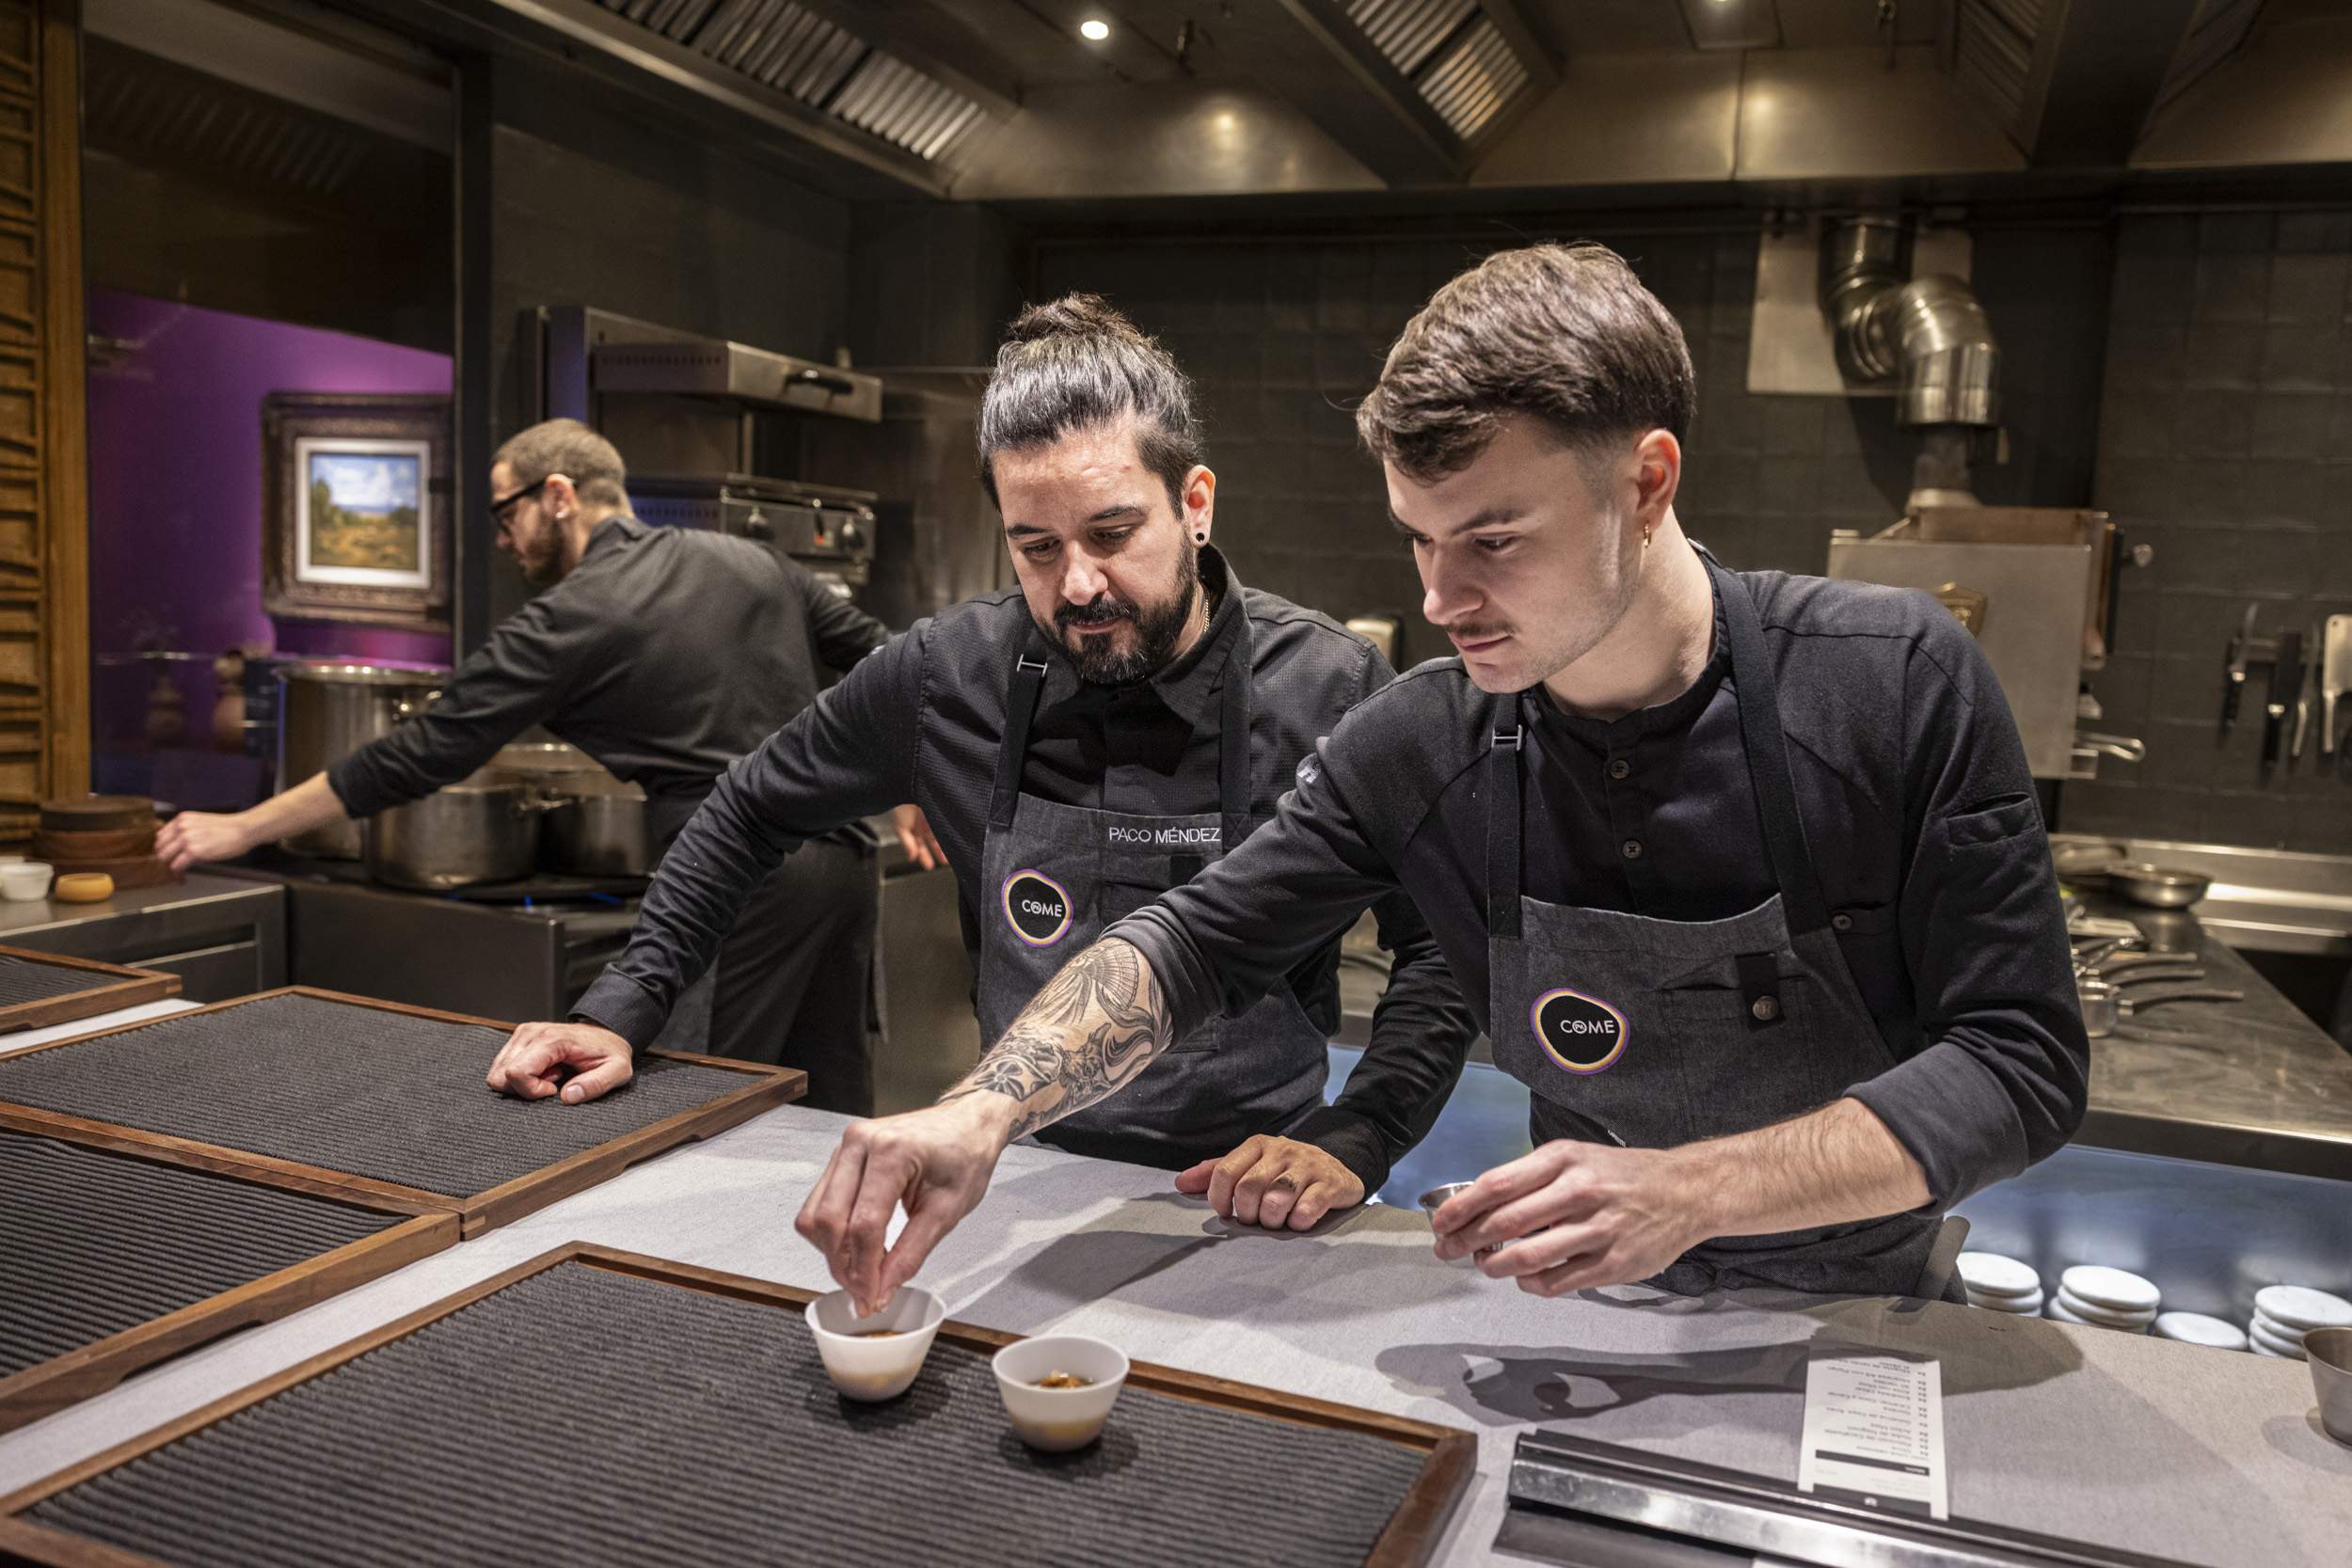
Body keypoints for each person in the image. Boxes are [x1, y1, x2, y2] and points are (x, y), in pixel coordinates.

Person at [794, 244, 2090, 1314]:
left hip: (1871, 1317)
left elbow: (2021, 1058)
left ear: (1646, 483)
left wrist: (1693, 1188)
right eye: (1418, 539)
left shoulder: (1890, 681)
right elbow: (1194, 941)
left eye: (1492, 539)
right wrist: (978, 1112)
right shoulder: (1430, 738)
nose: (1439, 598)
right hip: (1581, 1306)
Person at [484, 296, 1477, 1228]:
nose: (1078, 583)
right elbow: (748, 806)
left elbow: (1438, 939)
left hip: (1246, 1188)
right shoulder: (948, 672)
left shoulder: (1330, 686)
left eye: (1113, 532)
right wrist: (624, 1005)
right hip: (1007, 1167)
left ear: (1196, 502)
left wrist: (1360, 1129)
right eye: (1034, 547)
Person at [157, 419, 898, 1112]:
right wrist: (904, 785)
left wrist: (243, 828)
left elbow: (421, 750)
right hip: (846, 865)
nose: (505, 540)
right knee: (824, 1118)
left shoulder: (572, 616)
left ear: (559, 496)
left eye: (505, 514)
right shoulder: (753, 560)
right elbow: (890, 661)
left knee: (707, 1115)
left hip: (737, 889)